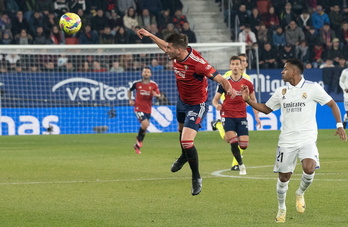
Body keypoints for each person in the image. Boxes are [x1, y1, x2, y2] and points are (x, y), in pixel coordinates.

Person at [240, 58, 347, 223]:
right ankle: (281, 207)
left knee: (309, 167)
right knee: (284, 177)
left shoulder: (313, 88)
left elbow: (332, 104)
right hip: (286, 140)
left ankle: (300, 193)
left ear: (294, 72)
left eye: (285, 69)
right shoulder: (281, 91)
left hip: (307, 137)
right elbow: (267, 109)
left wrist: (339, 125)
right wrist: (248, 100)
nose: (282, 72)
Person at [136, 28, 235, 195]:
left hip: (197, 105)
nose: (166, 50)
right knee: (181, 133)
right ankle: (184, 156)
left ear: (179, 50)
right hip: (182, 102)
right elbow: (165, 45)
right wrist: (151, 35)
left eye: (169, 49)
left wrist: (229, 89)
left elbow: (221, 79)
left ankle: (196, 177)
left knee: (187, 141)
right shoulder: (176, 53)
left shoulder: (198, 64)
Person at [211, 53, 260, 171]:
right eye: (233, 64)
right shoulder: (225, 79)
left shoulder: (247, 80)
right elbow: (216, 98)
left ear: (244, 64)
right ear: (230, 66)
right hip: (227, 111)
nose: (236, 66)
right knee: (232, 140)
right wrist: (218, 105)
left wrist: (257, 116)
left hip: (241, 112)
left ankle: (217, 125)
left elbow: (253, 100)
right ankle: (237, 164)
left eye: (238, 63)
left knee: (242, 144)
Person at [128, 67, 162, 154]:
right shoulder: (137, 84)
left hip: (148, 109)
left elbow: (160, 96)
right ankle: (138, 139)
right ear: (142, 73)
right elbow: (129, 90)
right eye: (144, 72)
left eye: (148, 72)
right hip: (138, 108)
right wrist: (130, 100)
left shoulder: (154, 85)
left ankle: (137, 146)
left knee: (145, 127)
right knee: (145, 124)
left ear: (150, 74)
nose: (146, 73)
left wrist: (157, 95)